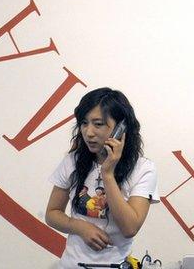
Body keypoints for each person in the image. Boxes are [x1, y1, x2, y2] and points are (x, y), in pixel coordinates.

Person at [46, 87, 159, 268]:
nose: (88, 132)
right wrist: (80, 227)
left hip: (115, 264)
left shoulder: (143, 169)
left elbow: (130, 228)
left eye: (98, 124)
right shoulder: (72, 161)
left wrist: (107, 173)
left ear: (121, 128)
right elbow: (52, 214)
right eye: (84, 123)